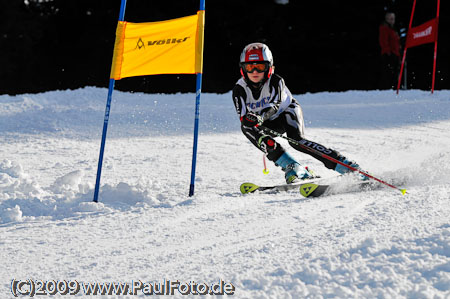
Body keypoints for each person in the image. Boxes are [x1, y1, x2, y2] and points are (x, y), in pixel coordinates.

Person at [232, 42, 367, 184]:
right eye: (249, 67)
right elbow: (244, 118)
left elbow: (275, 106)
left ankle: (346, 166)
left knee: (297, 141)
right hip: (267, 122)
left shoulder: (276, 81)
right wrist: (249, 120)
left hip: (287, 112)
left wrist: (259, 117)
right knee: (251, 131)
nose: (254, 72)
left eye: (260, 67)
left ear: (269, 68)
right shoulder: (239, 89)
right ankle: (293, 166)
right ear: (243, 69)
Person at [379, 12, 401, 89]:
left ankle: (393, 87)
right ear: (387, 19)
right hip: (389, 54)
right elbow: (383, 41)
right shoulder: (384, 28)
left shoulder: (393, 29)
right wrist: (388, 53)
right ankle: (388, 88)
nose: (393, 20)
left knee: (394, 73)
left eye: (393, 19)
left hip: (395, 53)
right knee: (389, 73)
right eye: (391, 19)